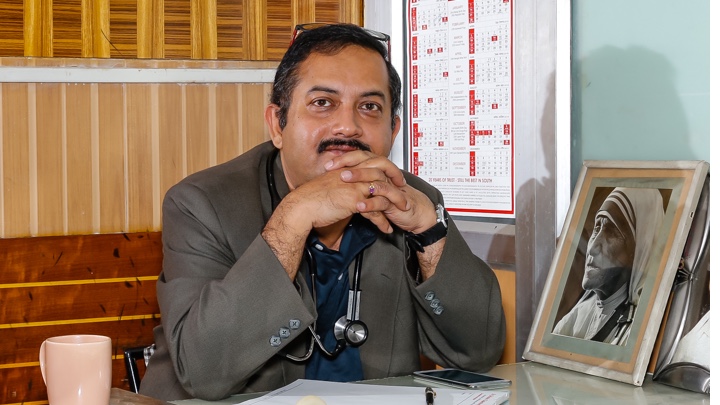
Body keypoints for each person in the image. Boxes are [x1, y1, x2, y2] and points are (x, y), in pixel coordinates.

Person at [139, 23, 506, 401]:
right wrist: (293, 218)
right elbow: (203, 370)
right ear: (277, 124)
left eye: (369, 107)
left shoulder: (412, 201)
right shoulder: (201, 203)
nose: (347, 126)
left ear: (393, 131)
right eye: (322, 103)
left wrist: (429, 233)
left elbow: (476, 353)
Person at [553, 187, 664, 345]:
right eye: (597, 228)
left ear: (638, 250)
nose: (593, 248)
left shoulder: (641, 330)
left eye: (611, 233)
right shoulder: (574, 318)